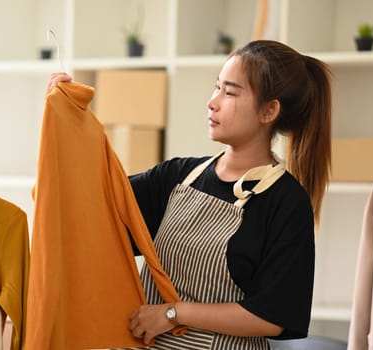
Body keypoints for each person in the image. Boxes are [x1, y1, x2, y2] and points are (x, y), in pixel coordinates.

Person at [46, 39, 332, 350]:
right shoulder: (177, 177)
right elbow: (93, 201)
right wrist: (67, 117)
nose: (213, 101)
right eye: (216, 87)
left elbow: (272, 316)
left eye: (230, 92)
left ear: (269, 111)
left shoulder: (286, 202)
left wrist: (174, 313)